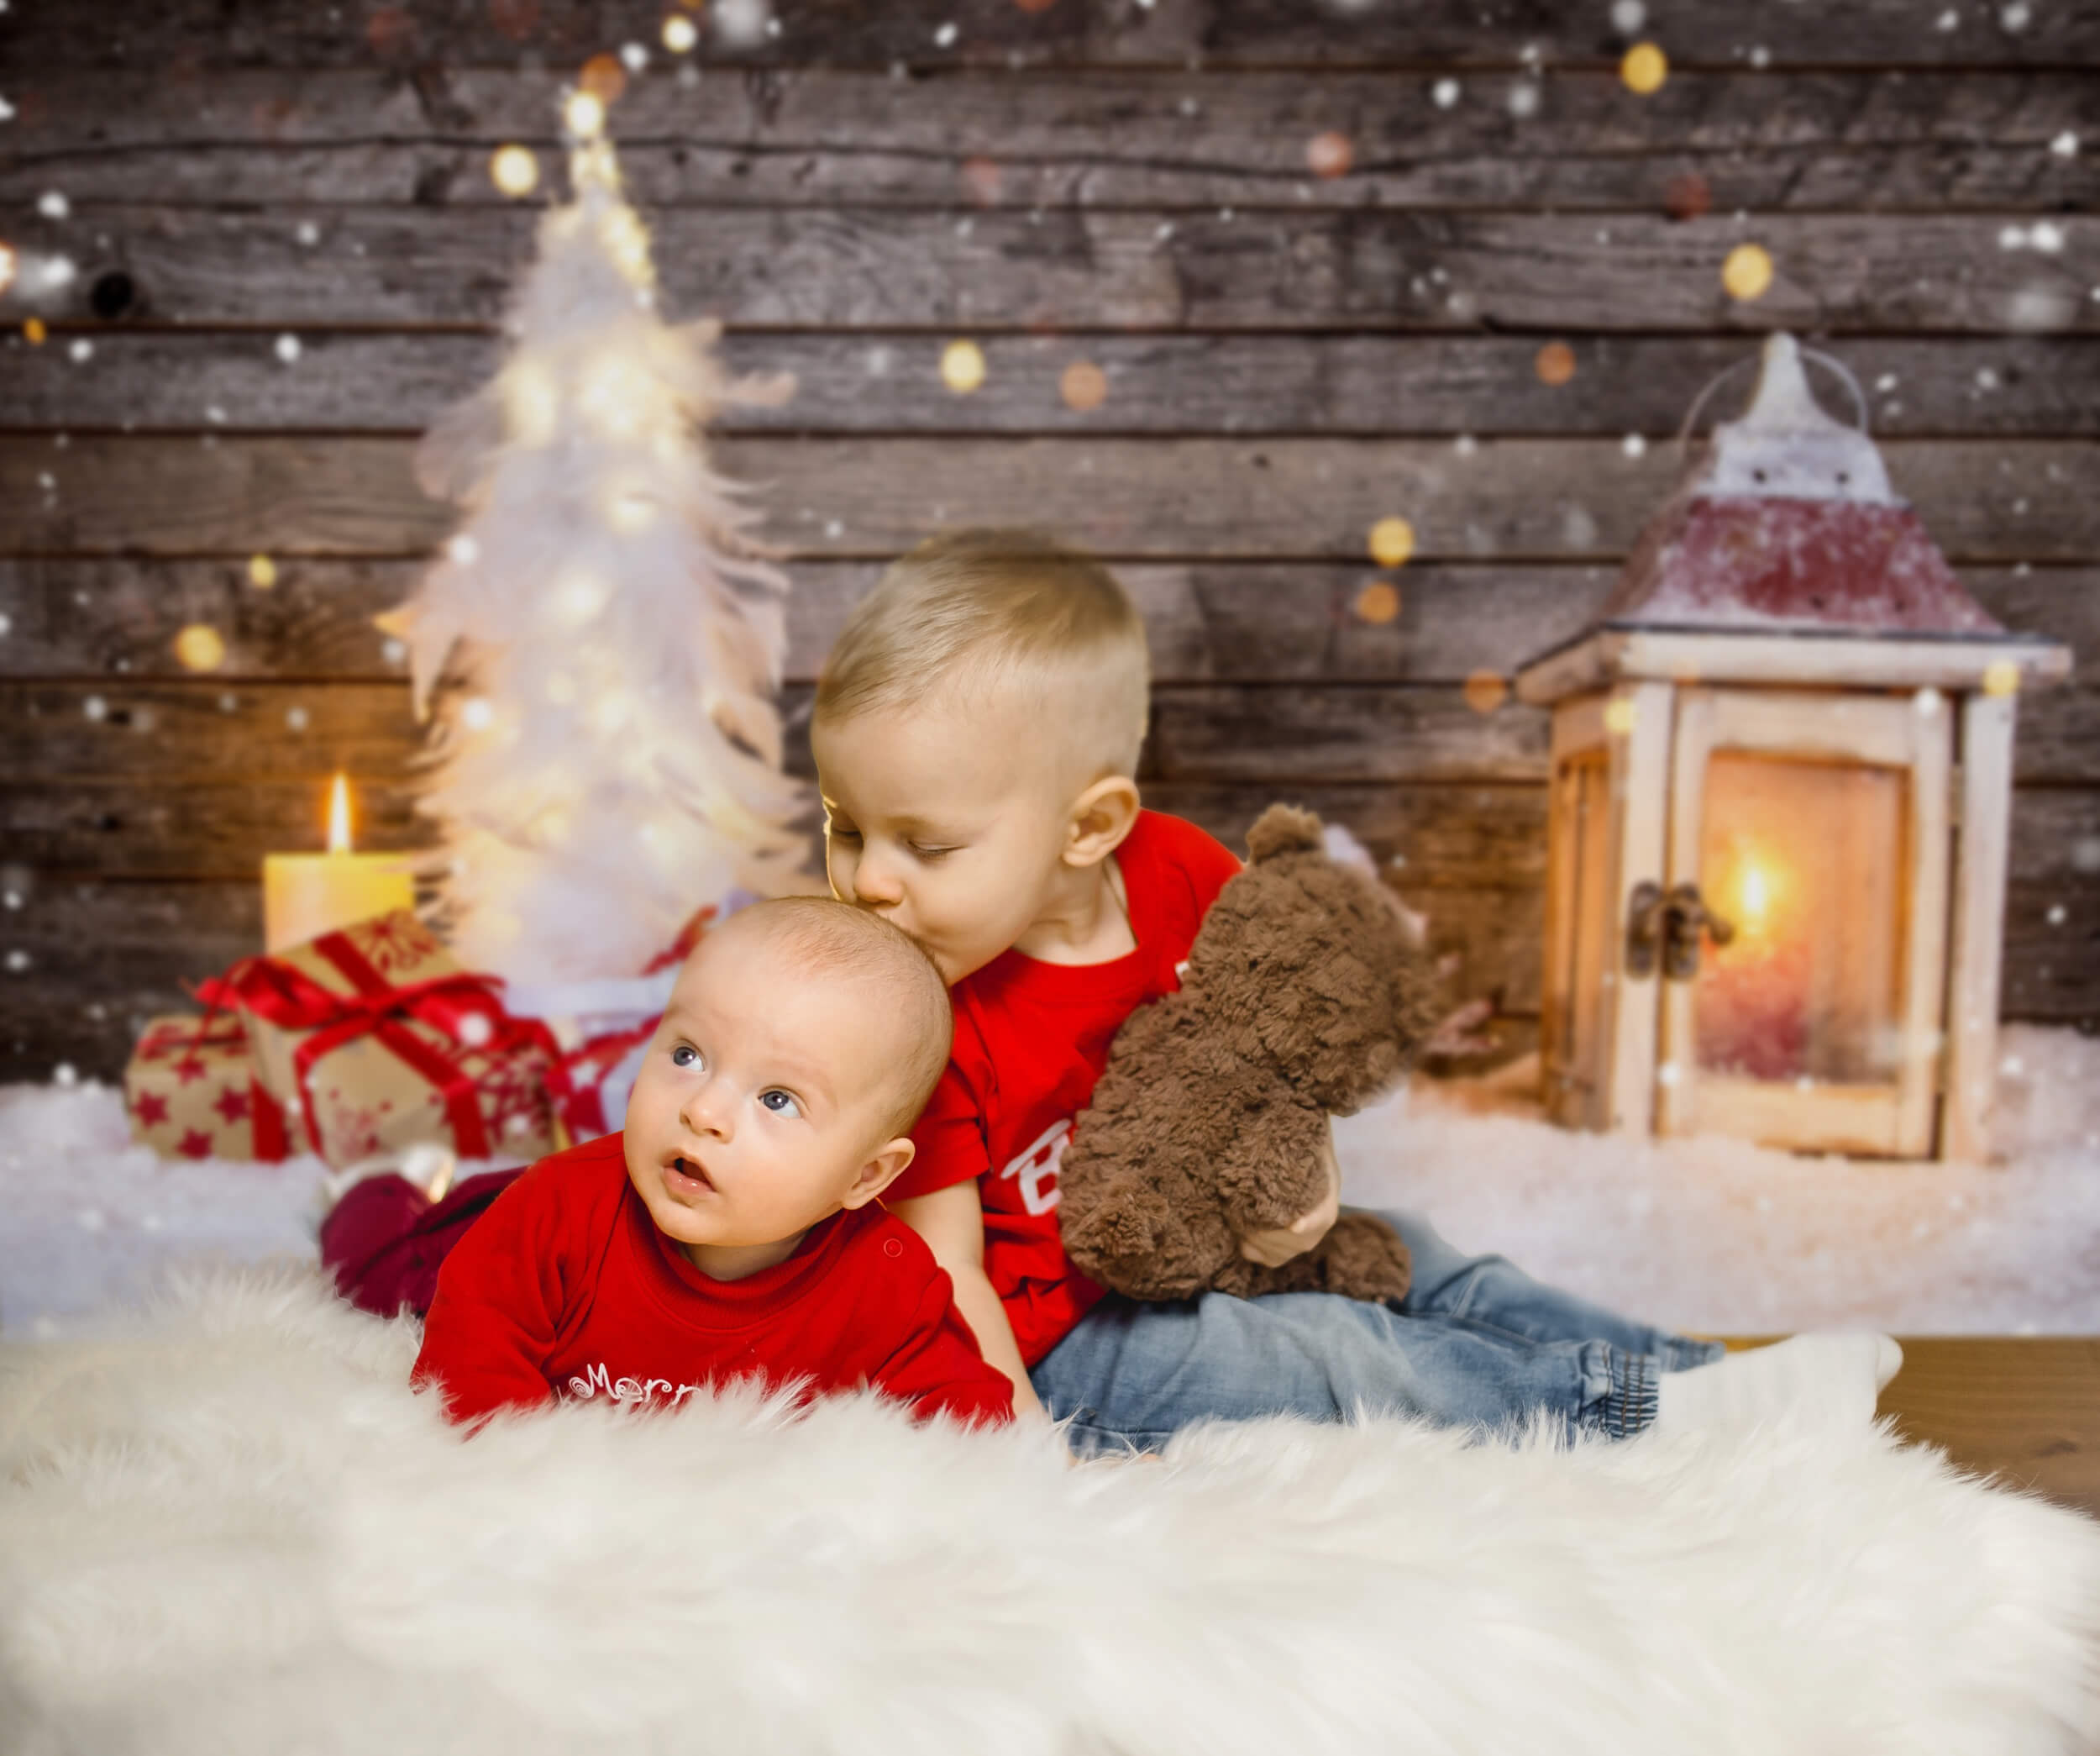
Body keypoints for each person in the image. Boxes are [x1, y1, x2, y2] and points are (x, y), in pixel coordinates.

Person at [809, 528, 1902, 1457]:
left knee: (1421, 1256)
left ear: (1089, 826)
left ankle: (1697, 1377)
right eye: (845, 828)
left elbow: (1276, 1046)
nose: (869, 880)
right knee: (1334, 1356)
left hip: (1212, 1253)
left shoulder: (1180, 875)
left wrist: (1310, 1185)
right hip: (1066, 1351)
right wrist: (1022, 1454)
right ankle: (1632, 1423)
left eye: (925, 844)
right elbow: (946, 1278)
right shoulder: (912, 1016)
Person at [411, 897, 1016, 1431]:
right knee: (400, 1255)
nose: (703, 1112)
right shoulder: (558, 1208)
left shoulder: (887, 1285)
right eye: (688, 1055)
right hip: (463, 1259)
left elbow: (970, 1435)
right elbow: (469, 1365)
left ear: (865, 1176)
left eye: (777, 1099)